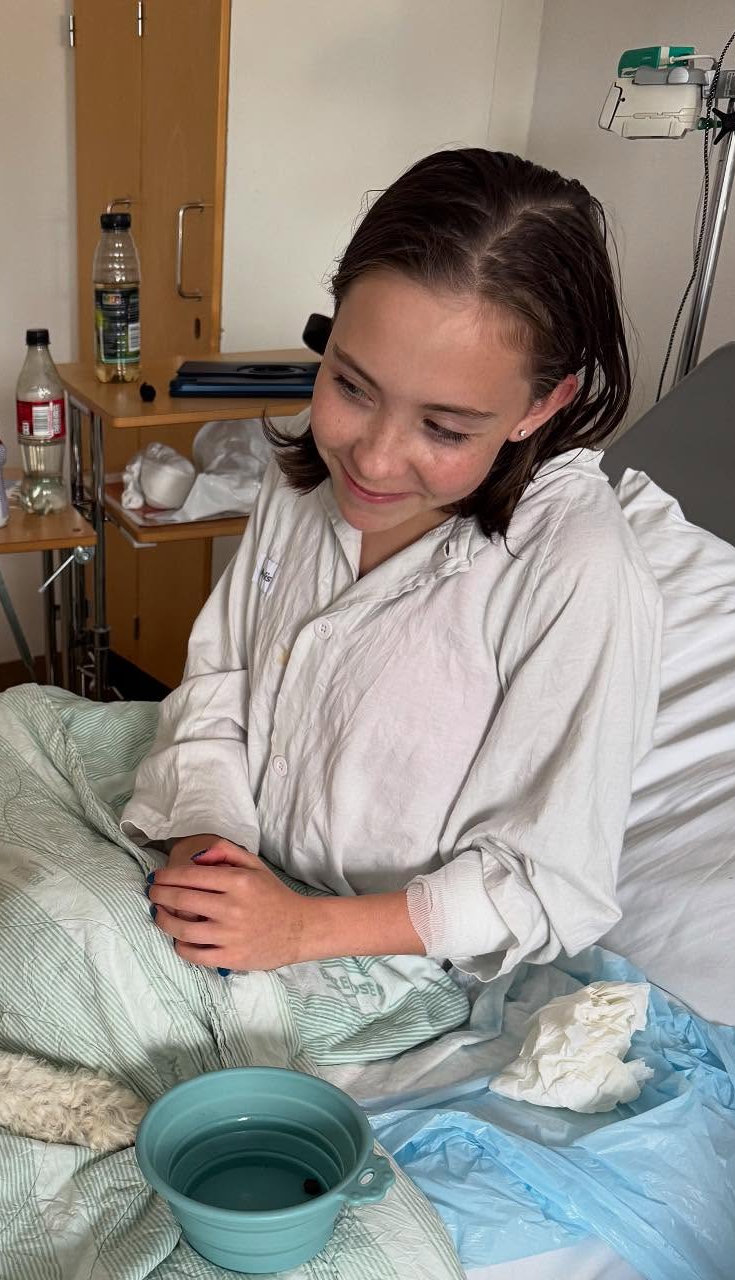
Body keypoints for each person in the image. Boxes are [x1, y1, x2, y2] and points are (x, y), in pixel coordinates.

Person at [123, 148, 661, 979]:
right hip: (241, 884)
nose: (371, 461)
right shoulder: (306, 478)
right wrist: (208, 845)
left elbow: (546, 885)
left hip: (375, 962)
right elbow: (219, 682)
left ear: (544, 403)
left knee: (43, 945)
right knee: (2, 736)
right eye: (350, 385)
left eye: (444, 429)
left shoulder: (575, 570)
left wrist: (299, 931)